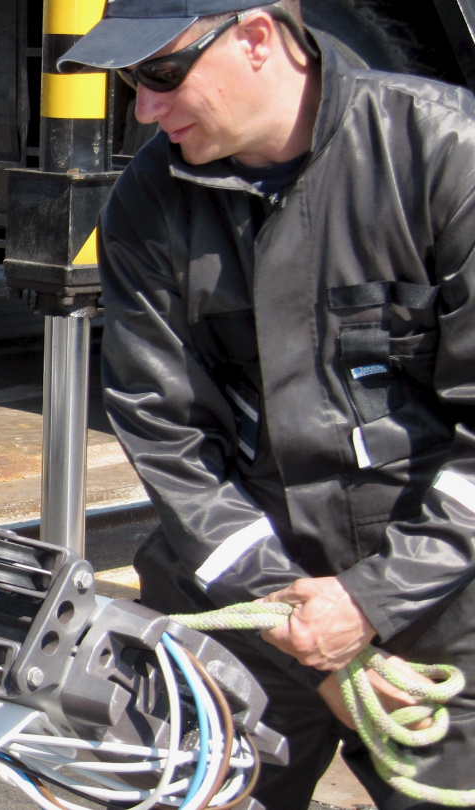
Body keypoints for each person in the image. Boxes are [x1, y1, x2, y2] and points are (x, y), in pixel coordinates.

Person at [58, 0, 475, 806]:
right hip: (247, 610)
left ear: (255, 37)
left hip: (438, 618)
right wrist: (281, 605)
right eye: (130, 82)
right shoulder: (147, 205)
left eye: (161, 74)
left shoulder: (446, 154)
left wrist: (373, 600)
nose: (144, 107)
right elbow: (167, 435)